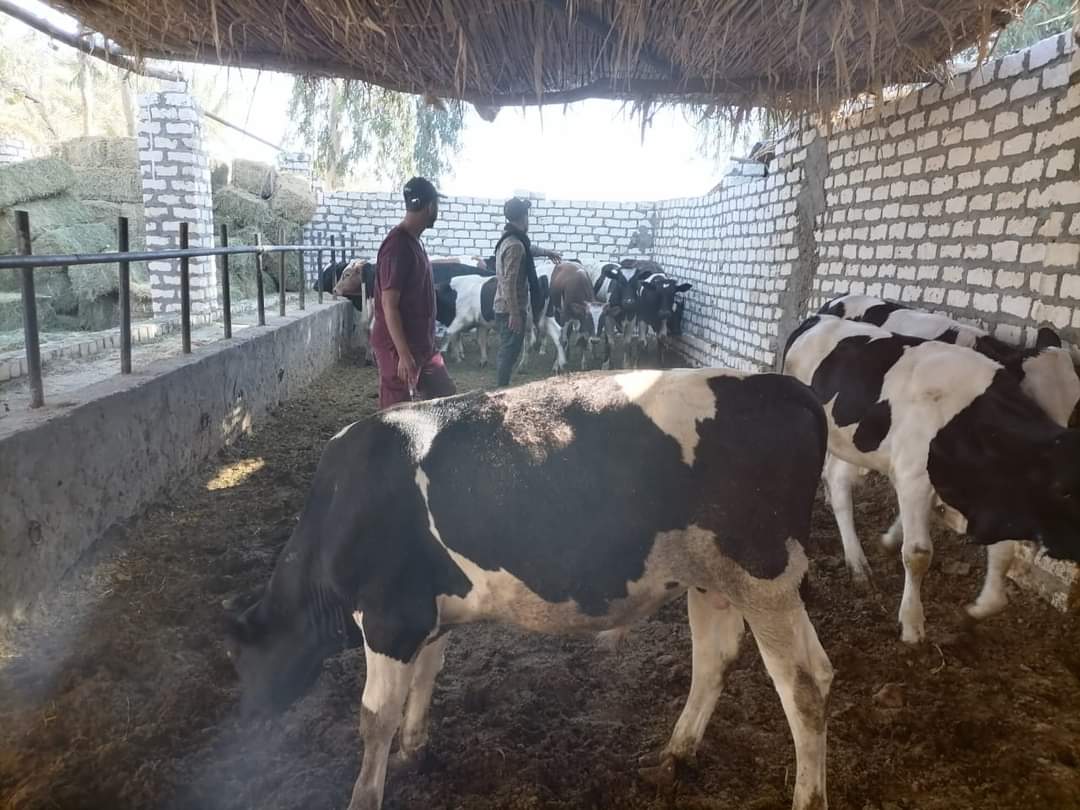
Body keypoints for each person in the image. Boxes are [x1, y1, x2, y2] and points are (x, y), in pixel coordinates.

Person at [370, 176, 457, 409]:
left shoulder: (414, 242)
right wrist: (403, 354)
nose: (437, 210)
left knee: (446, 396)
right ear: (429, 207)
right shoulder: (396, 246)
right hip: (398, 347)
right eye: (436, 204)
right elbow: (389, 304)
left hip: (422, 346)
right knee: (397, 412)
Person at [493, 197, 562, 387]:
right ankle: (501, 389)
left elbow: (528, 249)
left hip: (504, 306)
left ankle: (502, 387)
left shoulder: (510, 238)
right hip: (510, 309)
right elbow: (509, 282)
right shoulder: (515, 245)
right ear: (524, 217)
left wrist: (547, 252)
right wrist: (515, 314)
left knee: (509, 351)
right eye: (527, 215)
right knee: (509, 352)